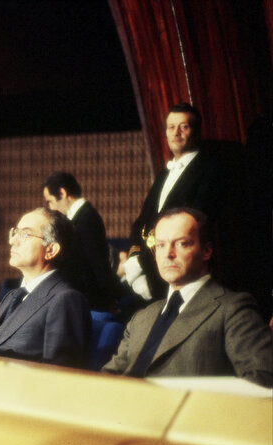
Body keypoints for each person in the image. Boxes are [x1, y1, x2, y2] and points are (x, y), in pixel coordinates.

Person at [103, 208, 272, 387]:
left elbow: (263, 380)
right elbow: (107, 378)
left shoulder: (233, 309)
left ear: (206, 251)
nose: (168, 254)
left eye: (182, 243)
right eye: (160, 245)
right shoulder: (141, 318)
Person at [123, 103, 223, 302]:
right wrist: (133, 256)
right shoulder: (164, 174)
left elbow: (190, 228)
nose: (176, 133)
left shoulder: (210, 171)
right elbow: (142, 221)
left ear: (195, 132)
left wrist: (141, 264)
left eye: (184, 127)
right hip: (150, 270)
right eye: (171, 127)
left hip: (178, 272)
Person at [0, 208, 90, 368]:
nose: (12, 241)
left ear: (51, 250)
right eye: (15, 232)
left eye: (25, 235)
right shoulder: (12, 296)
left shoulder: (65, 299)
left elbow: (59, 373)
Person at [42, 171, 121, 311]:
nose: (51, 208)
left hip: (90, 302)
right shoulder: (80, 217)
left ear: (62, 193)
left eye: (50, 201)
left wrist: (109, 300)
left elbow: (98, 263)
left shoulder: (86, 218)